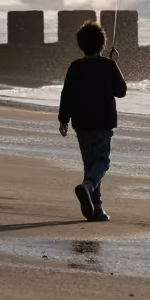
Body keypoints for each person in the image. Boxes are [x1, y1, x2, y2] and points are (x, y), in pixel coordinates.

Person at [58, 21, 127, 222]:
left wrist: (63, 120)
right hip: (103, 122)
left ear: (81, 46)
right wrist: (114, 64)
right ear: (103, 44)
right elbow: (121, 92)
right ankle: (88, 188)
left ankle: (97, 209)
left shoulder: (75, 66)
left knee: (90, 164)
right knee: (102, 161)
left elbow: (67, 95)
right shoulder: (109, 65)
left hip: (82, 122)